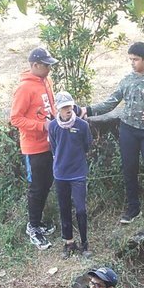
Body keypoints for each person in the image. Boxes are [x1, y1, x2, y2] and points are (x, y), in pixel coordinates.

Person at [88, 41, 144, 224]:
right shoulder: (126, 80)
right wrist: (87, 110)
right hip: (128, 130)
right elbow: (111, 102)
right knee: (129, 169)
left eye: (135, 59)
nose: (132, 63)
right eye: (130, 59)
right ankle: (133, 209)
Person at [11, 46, 59, 250]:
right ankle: (33, 227)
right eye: (46, 65)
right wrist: (41, 126)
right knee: (36, 188)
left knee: (47, 184)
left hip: (50, 144)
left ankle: (38, 222)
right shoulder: (24, 88)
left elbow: (51, 107)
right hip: (33, 148)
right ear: (35, 65)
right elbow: (15, 118)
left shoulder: (46, 81)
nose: (49, 69)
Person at [48, 92, 94, 258]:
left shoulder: (82, 125)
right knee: (64, 208)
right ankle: (69, 242)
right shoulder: (53, 126)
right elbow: (54, 147)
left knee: (81, 209)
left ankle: (84, 243)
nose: (68, 110)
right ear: (57, 109)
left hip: (78, 173)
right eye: (64, 107)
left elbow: (87, 146)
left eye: (70, 106)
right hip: (60, 173)